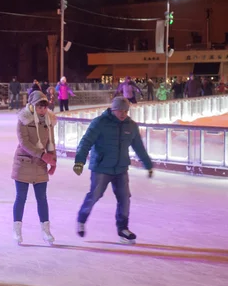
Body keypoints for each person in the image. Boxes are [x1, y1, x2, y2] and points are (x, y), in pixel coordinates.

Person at [73, 97, 153, 245]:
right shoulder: (100, 123)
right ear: (113, 109)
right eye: (120, 111)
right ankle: (81, 219)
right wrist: (79, 161)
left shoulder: (131, 126)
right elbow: (86, 142)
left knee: (124, 198)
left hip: (121, 168)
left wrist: (147, 164)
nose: (123, 114)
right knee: (95, 195)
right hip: (101, 168)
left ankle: (123, 228)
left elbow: (139, 147)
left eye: (125, 111)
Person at [11, 91, 57, 246]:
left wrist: (53, 161)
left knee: (42, 199)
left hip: (40, 165)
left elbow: (51, 142)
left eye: (44, 106)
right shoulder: (23, 119)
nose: (42, 110)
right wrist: (42, 155)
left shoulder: (49, 121)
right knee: (21, 197)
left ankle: (46, 230)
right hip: (23, 162)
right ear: (32, 106)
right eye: (39, 106)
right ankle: (17, 229)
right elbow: (24, 142)